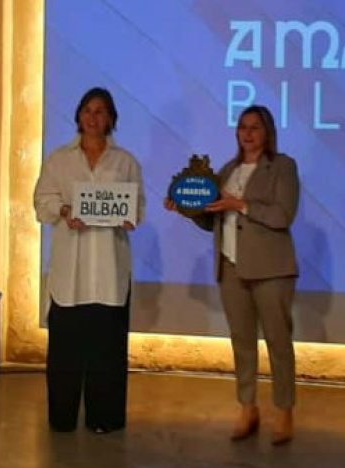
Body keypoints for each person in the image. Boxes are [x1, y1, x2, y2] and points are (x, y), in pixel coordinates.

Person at [166, 105, 300, 445]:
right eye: (243, 127)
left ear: (267, 132)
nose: (248, 133)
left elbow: (282, 215)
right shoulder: (227, 170)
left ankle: (284, 411)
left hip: (270, 269)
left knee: (278, 342)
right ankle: (247, 407)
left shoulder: (283, 167)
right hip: (230, 266)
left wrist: (240, 205)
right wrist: (187, 209)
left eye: (255, 127)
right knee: (241, 342)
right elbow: (213, 218)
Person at [33, 87, 143, 433]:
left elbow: (137, 206)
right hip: (71, 271)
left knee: (107, 351)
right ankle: (62, 417)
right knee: (65, 351)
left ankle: (104, 418)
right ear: (78, 115)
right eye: (88, 110)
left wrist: (130, 218)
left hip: (110, 271)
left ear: (111, 118)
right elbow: (41, 203)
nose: (93, 117)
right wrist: (64, 210)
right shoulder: (58, 160)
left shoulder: (125, 162)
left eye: (100, 111)